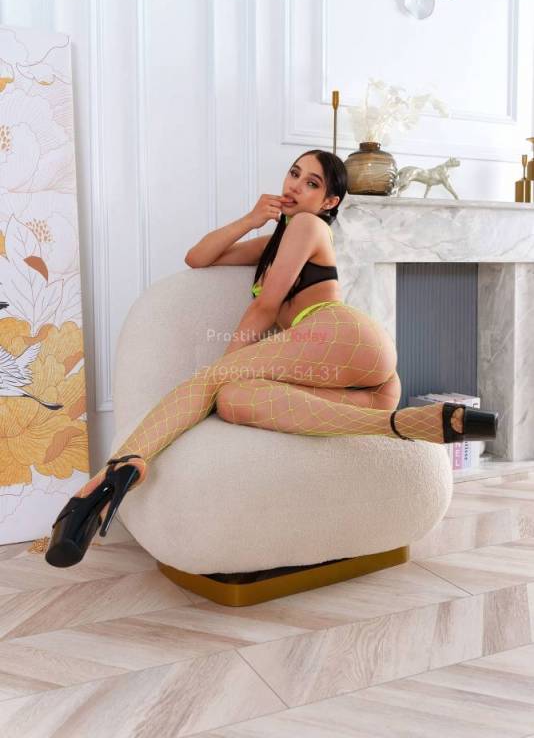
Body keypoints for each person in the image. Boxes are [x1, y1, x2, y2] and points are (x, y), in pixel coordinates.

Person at [44, 149, 498, 567]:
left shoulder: (308, 226)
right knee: (235, 400)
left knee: (217, 384)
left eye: (312, 183)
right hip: (369, 391)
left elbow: (265, 307)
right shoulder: (276, 242)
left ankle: (111, 476)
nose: (296, 185)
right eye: (294, 174)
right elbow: (197, 258)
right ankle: (409, 423)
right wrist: (250, 219)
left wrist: (219, 372)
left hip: (341, 334)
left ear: (329, 202)